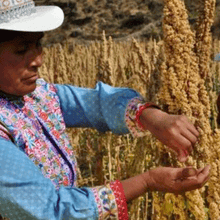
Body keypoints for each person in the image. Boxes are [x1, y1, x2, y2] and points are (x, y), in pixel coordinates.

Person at [0, 1, 210, 219]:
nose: (38, 60)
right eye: (21, 50)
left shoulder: (37, 94)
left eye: (38, 44)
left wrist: (151, 117)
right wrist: (148, 181)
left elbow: (96, 103)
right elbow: (50, 210)